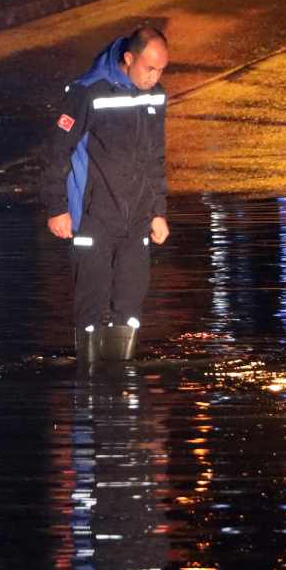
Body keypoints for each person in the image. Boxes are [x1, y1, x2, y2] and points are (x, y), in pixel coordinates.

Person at [41, 27, 171, 363]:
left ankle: (123, 381)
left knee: (129, 307)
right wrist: (57, 208)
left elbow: (155, 158)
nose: (155, 77)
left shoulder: (155, 96)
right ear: (129, 59)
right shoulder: (88, 92)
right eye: (149, 68)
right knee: (92, 306)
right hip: (92, 216)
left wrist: (158, 212)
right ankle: (89, 383)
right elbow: (57, 151)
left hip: (136, 219)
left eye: (161, 70)